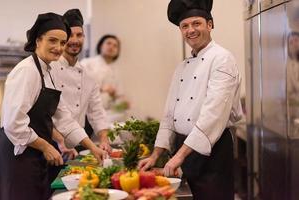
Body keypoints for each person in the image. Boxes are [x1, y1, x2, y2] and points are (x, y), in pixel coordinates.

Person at [138, 0, 243, 199]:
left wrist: (178, 156)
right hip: (185, 148)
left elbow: (213, 115)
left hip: (213, 151)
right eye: (184, 26)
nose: (190, 30)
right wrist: (155, 155)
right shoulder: (182, 67)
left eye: (196, 23)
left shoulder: (222, 59)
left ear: (210, 25)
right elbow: (169, 115)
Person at [0, 12, 106, 200]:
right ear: (38, 40)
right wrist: (46, 146)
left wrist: (92, 147)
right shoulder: (27, 71)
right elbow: (13, 123)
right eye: (52, 41)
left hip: (35, 152)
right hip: (19, 153)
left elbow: (63, 116)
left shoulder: (48, 71)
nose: (58, 47)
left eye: (62, 42)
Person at [51, 9, 111, 153]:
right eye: (70, 35)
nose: (75, 40)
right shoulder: (50, 69)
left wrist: (104, 139)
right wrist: (59, 140)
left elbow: (96, 112)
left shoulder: (88, 76)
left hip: (77, 143)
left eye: (79, 35)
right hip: (51, 143)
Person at [81, 34, 128, 111]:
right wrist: (101, 88)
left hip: (106, 112)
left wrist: (123, 103)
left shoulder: (116, 72)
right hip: (86, 111)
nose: (111, 47)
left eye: (115, 46)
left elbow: (119, 95)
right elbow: (77, 85)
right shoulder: (87, 63)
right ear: (100, 46)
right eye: (108, 43)